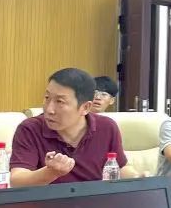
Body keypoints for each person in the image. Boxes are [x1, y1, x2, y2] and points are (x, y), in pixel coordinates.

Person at [10, 68, 139, 186]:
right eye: (47, 97)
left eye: (60, 101)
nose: (49, 109)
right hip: (49, 203)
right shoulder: (30, 129)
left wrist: (138, 178)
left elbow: (121, 167)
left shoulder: (107, 127)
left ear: (85, 107)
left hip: (96, 202)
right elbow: (17, 182)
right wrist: (51, 173)